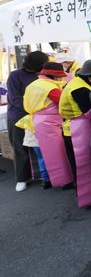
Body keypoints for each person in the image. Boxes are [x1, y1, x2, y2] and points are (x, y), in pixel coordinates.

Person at [59, 60, 91, 208]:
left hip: (75, 127)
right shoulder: (79, 88)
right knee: (84, 165)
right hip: (77, 130)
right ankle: (89, 199)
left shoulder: (76, 83)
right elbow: (89, 111)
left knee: (87, 164)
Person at [20, 62, 73, 189]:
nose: (61, 79)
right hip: (49, 125)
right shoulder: (50, 88)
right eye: (60, 76)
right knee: (57, 154)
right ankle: (64, 181)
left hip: (34, 122)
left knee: (42, 154)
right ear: (54, 76)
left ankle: (46, 180)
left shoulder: (33, 85)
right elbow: (64, 102)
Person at [7, 50, 49, 191]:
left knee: (39, 146)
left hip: (38, 115)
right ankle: (22, 179)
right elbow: (15, 99)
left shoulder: (40, 76)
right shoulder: (15, 76)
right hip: (18, 116)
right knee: (20, 148)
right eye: (43, 64)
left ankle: (43, 175)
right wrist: (33, 108)